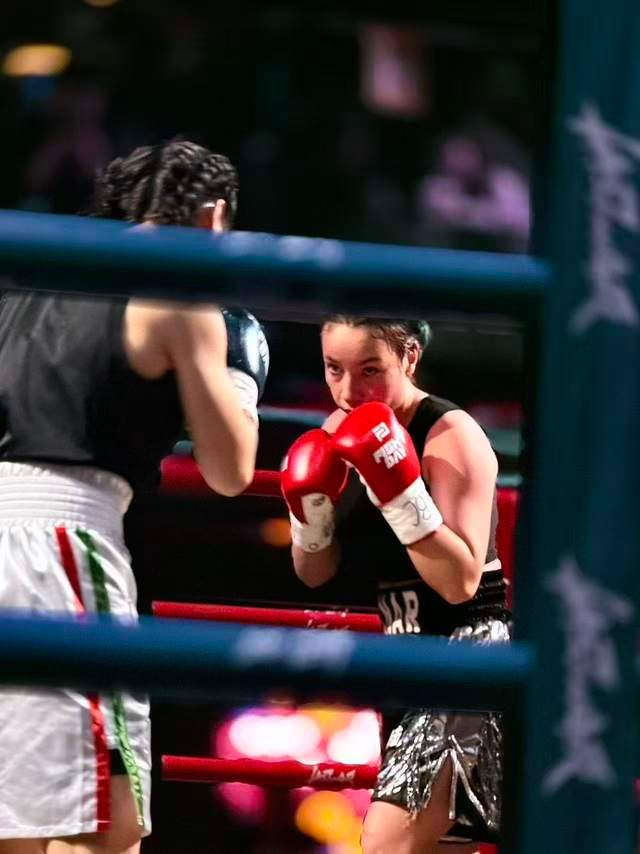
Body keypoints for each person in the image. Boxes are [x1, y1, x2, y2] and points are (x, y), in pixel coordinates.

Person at [0, 139, 269, 854]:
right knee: (105, 824)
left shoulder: (29, 279)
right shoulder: (177, 290)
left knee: (17, 821)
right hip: (62, 549)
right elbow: (230, 469)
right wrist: (238, 380)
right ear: (214, 218)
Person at [282, 316, 509, 854]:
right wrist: (309, 518)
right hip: (403, 662)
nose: (348, 391)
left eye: (370, 370)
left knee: (387, 843)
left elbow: (461, 582)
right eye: (334, 369)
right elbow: (314, 573)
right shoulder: (337, 432)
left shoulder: (450, 435)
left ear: (409, 358)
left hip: (465, 655)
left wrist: (400, 493)